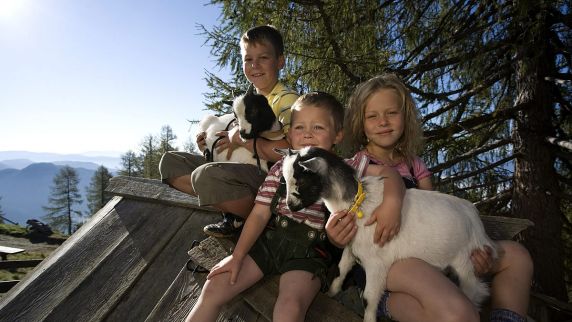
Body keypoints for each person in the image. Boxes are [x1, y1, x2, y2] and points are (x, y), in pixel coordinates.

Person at [327, 74, 534, 322]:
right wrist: (337, 236)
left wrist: (475, 255)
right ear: (361, 124)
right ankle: (383, 302)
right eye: (372, 116)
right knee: (456, 312)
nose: (383, 121)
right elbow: (342, 220)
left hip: (424, 255)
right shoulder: (354, 167)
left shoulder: (416, 167)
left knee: (517, 257)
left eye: (391, 113)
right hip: (385, 263)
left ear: (406, 117)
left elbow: (434, 220)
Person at [186, 91, 405, 322]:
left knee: (289, 308)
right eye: (299, 127)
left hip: (309, 254)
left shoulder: (343, 167)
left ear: (337, 135)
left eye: (318, 127)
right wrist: (238, 256)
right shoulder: (280, 167)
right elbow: (260, 214)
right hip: (269, 242)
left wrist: (392, 203)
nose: (308, 134)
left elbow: (388, 173)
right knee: (214, 286)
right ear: (289, 134)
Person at [159, 25, 299, 237]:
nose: (254, 65)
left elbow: (294, 151)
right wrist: (209, 146)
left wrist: (242, 141)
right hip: (237, 171)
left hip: (270, 180)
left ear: (280, 61)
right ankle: (237, 215)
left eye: (263, 58)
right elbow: (232, 138)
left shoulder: (287, 100)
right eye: (248, 59)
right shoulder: (247, 98)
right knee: (170, 163)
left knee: (205, 176)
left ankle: (263, 219)